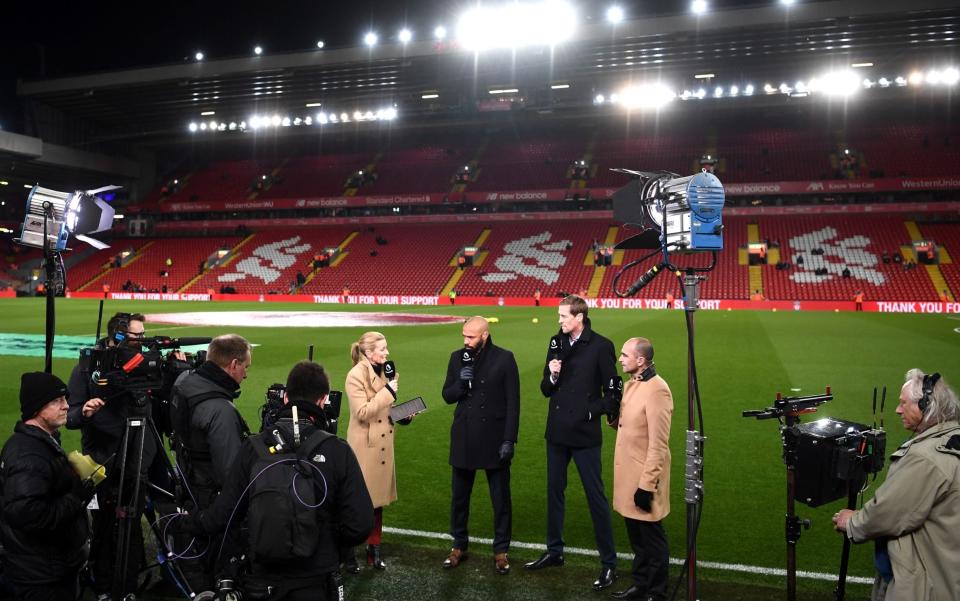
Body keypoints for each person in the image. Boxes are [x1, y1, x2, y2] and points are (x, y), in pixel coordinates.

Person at [180, 361, 374, 601]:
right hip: (316, 578)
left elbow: (224, 515)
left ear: (285, 398)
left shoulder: (253, 447)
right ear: (323, 400)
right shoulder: (337, 450)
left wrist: (189, 523)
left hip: (262, 579)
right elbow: (360, 525)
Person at [832, 370, 960, 601]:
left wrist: (853, 522)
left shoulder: (926, 458)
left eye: (903, 404)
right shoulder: (951, 437)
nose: (897, 410)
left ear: (926, 405)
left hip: (925, 586)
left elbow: (889, 513)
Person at [525, 295, 620, 591]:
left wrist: (593, 412)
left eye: (564, 316)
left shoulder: (601, 346)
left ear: (579, 318)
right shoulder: (556, 342)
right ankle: (555, 551)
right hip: (557, 433)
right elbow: (544, 388)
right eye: (559, 316)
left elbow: (613, 391)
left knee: (596, 496)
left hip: (585, 435)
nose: (560, 320)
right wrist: (552, 376)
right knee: (554, 492)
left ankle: (609, 564)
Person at [66, 311, 162, 599]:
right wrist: (84, 412)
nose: (142, 342)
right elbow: (70, 417)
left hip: (137, 458)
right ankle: (103, 586)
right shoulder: (86, 369)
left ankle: (129, 585)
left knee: (131, 525)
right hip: (102, 461)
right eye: (137, 337)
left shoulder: (142, 365)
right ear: (118, 336)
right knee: (105, 527)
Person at [1, 372, 96, 601]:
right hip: (40, 575)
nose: (66, 406)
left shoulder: (42, 442)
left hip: (47, 567)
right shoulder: (29, 455)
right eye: (56, 401)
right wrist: (77, 496)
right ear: (36, 408)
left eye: (65, 399)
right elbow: (30, 516)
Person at [170, 334, 253, 588]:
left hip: (188, 482)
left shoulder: (185, 381)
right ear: (233, 365)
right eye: (246, 367)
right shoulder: (220, 409)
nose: (246, 375)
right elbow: (230, 474)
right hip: (210, 496)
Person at [440, 317, 520, 575]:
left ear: (484, 335)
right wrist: (460, 384)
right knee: (459, 499)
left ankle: (501, 551)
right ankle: (458, 546)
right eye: (464, 336)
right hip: (464, 436)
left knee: (500, 500)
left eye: (471, 337)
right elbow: (447, 395)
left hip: (494, 439)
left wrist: (509, 439)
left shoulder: (505, 358)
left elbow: (513, 404)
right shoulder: (456, 357)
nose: (466, 341)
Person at [608, 338, 673, 601]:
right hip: (628, 475)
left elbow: (658, 444)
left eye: (625, 355)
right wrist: (613, 413)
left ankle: (657, 592)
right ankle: (641, 584)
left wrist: (646, 485)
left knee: (652, 539)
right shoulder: (634, 383)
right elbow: (629, 426)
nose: (620, 359)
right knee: (637, 538)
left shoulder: (658, 390)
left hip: (643, 477)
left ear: (641, 360)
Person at [345, 331, 406, 570]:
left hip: (383, 444)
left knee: (377, 502)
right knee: (357, 502)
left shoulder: (386, 370)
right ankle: (348, 553)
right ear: (369, 353)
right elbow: (363, 412)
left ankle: (374, 549)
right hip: (364, 446)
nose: (387, 352)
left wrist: (403, 415)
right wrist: (389, 392)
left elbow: (384, 410)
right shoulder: (355, 375)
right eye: (382, 349)